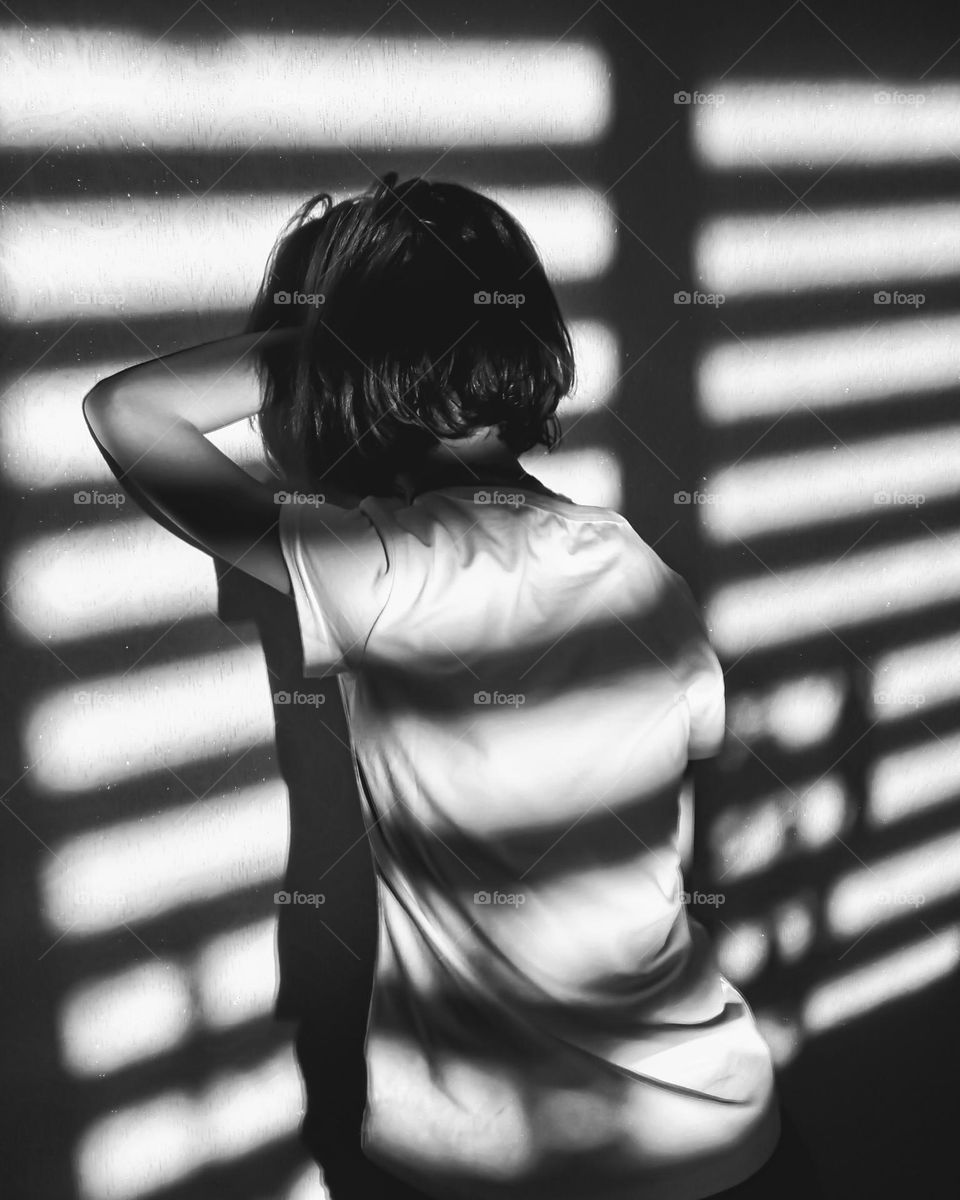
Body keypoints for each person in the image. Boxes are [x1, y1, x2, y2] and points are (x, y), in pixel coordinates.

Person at [82, 173, 801, 1200]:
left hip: (493, 1154)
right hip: (717, 1132)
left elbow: (126, 411)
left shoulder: (384, 566)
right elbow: (684, 796)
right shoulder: (647, 577)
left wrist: (325, 352)